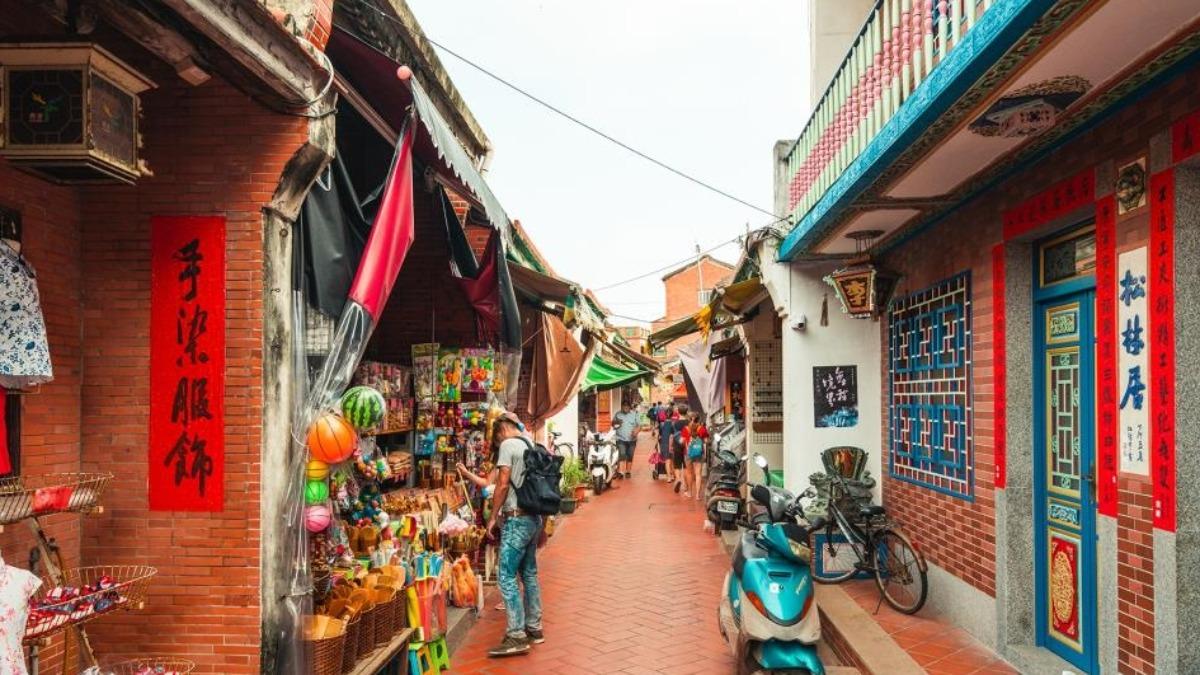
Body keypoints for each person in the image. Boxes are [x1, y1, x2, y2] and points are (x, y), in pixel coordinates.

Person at [486, 411, 544, 657]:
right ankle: (534, 627)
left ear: (501, 430)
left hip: (516, 517)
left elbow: (502, 483)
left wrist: (492, 517)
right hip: (534, 517)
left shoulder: (508, 445)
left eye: (496, 440)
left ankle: (516, 634)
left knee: (507, 575)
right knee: (529, 573)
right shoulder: (531, 442)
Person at [680, 413, 708, 502]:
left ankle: (690, 492)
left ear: (689, 419)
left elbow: (681, 441)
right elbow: (706, 441)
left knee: (689, 473)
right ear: (698, 419)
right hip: (699, 454)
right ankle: (698, 496)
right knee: (698, 474)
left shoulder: (685, 429)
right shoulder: (702, 429)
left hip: (688, 454)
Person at [611, 401, 639, 479]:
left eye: (627, 406)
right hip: (620, 438)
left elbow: (639, 425)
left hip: (632, 439)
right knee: (622, 454)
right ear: (622, 406)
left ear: (630, 407)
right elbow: (613, 424)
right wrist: (616, 422)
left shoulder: (635, 414)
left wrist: (636, 431)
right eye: (624, 406)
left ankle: (628, 471)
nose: (625, 407)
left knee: (630, 455)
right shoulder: (618, 414)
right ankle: (620, 472)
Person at [671, 406, 688, 494]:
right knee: (685, 466)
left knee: (677, 465)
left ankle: (678, 479)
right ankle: (685, 486)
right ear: (686, 412)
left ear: (678, 412)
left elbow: (671, 435)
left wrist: (670, 446)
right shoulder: (689, 423)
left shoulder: (675, 423)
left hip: (677, 444)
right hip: (686, 445)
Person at [657, 406, 675, 482]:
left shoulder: (661, 424)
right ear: (672, 414)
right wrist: (671, 446)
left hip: (664, 444)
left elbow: (659, 437)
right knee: (672, 461)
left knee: (667, 461)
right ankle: (672, 475)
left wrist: (658, 446)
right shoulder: (673, 424)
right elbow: (671, 436)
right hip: (672, 445)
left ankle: (669, 477)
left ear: (664, 414)